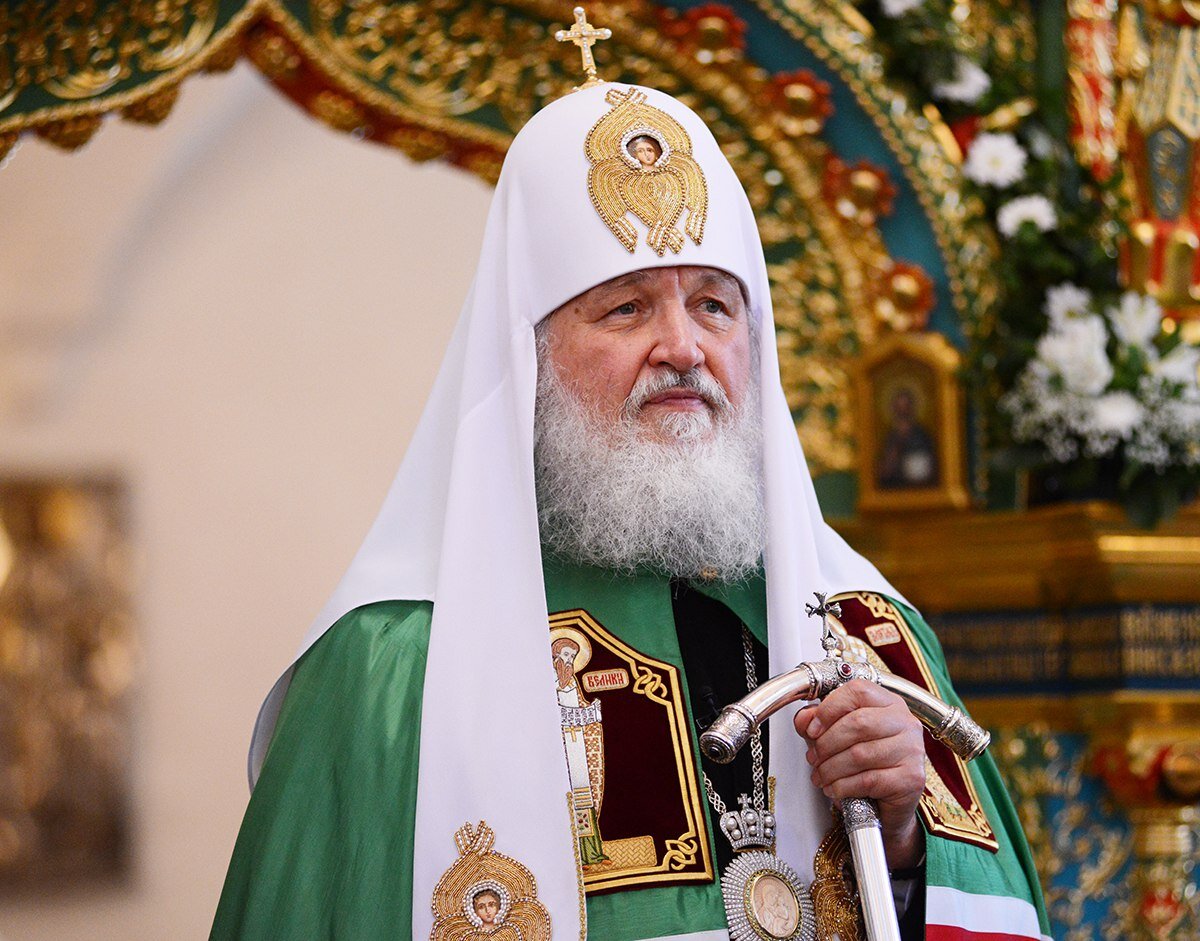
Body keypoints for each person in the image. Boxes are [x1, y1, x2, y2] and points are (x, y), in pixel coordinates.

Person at [212, 71, 1049, 941]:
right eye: (625, 308)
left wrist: (901, 840)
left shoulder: (872, 636)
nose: (683, 347)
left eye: (714, 305)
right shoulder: (395, 664)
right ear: (530, 359)